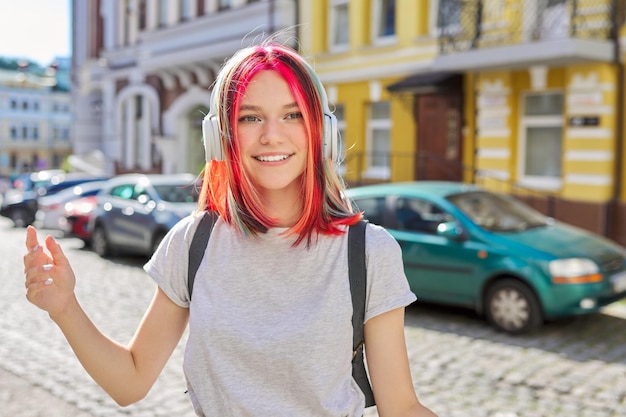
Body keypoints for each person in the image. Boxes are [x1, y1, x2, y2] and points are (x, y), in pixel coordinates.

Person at [23, 41, 438, 417]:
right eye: (250, 117)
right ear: (221, 137)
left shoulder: (368, 252)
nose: (271, 135)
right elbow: (130, 381)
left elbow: (400, 407)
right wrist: (65, 307)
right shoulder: (193, 242)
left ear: (322, 132)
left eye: (292, 115)